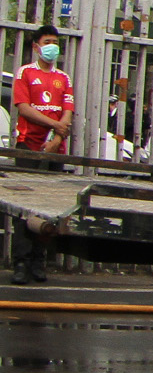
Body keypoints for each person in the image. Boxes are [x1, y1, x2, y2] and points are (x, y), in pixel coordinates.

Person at [10, 24, 72, 284]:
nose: (52, 46)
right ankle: (21, 264)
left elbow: (67, 112)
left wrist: (58, 136)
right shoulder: (25, 73)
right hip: (28, 146)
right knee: (23, 209)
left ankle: (39, 261)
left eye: (55, 41)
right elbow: (23, 108)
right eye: (47, 41)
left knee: (48, 210)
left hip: (54, 149)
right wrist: (54, 125)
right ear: (36, 46)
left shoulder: (64, 78)